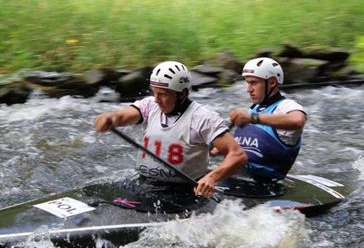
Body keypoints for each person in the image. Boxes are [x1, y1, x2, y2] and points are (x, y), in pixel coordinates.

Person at [95, 61, 247, 199]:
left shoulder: (203, 118)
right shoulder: (150, 106)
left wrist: (212, 177)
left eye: (163, 94)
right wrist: (107, 119)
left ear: (182, 94)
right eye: (154, 92)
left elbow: (237, 155)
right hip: (145, 183)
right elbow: (120, 117)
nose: (156, 99)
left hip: (183, 192)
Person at [228, 57, 307, 180]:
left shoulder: (287, 106)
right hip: (238, 175)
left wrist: (251, 118)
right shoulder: (253, 109)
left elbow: (297, 121)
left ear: (272, 82)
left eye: (253, 83)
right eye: (247, 83)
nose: (248, 89)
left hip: (266, 186)